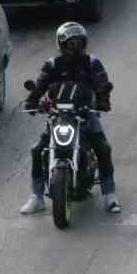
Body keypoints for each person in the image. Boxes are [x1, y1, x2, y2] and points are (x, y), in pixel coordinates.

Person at [20, 22, 119, 215]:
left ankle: (110, 195)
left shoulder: (92, 63)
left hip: (86, 115)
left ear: (84, 43)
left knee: (103, 148)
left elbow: (102, 83)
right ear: (61, 44)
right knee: (37, 150)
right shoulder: (52, 65)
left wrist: (103, 101)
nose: (74, 47)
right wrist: (31, 101)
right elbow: (40, 85)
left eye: (78, 42)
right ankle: (37, 197)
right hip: (57, 116)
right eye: (70, 43)